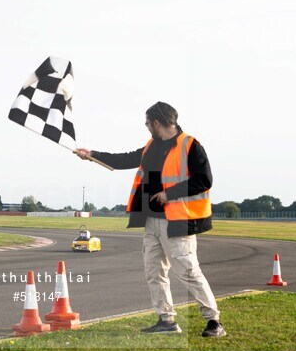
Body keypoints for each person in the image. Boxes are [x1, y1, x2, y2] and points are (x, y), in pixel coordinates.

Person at [75, 101, 225, 338]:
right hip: (151, 220)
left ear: (157, 122)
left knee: (188, 271)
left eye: (147, 122)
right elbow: (124, 159)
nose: (146, 127)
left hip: (178, 221)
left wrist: (169, 193)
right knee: (154, 272)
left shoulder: (191, 146)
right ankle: (166, 320)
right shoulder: (151, 146)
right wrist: (92, 155)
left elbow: (204, 180)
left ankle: (214, 321)